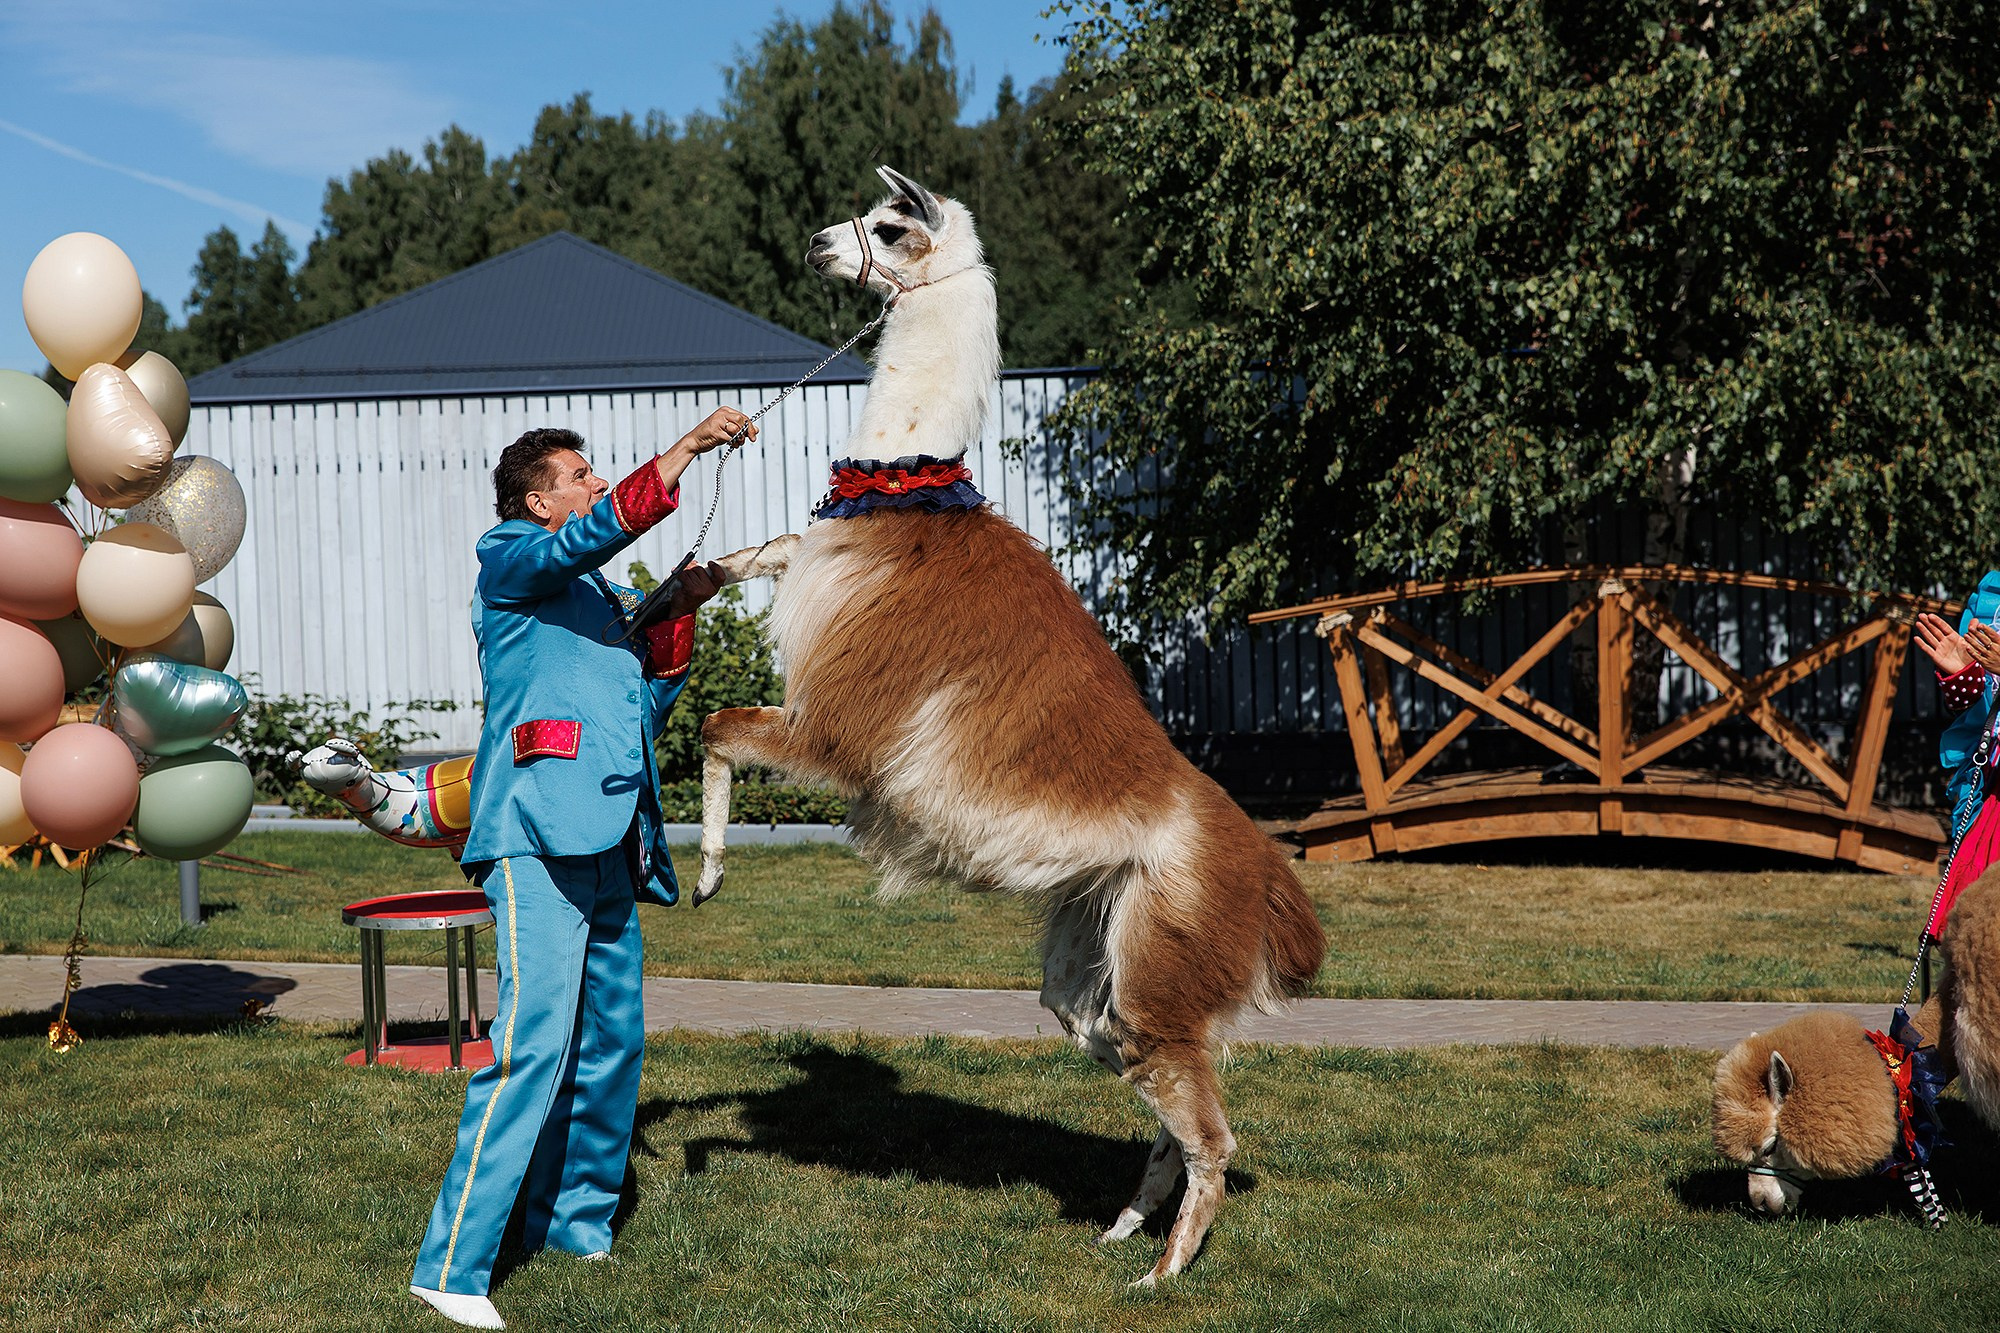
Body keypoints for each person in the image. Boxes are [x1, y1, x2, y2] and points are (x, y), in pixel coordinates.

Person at [409, 410, 753, 1330]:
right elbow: (603, 529)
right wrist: (682, 452)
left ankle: (575, 1225)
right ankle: (449, 1265)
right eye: (581, 472)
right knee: (531, 1048)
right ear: (537, 498)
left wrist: (678, 613)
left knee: (613, 1045)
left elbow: (644, 697)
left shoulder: (595, 594)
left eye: (599, 471)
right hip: (532, 834)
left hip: (609, 835)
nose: (596, 483)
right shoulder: (511, 556)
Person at [1914, 571, 2000, 943]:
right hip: (1996, 792)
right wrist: (1964, 678)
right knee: (1980, 928)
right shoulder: (1993, 600)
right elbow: (1978, 712)